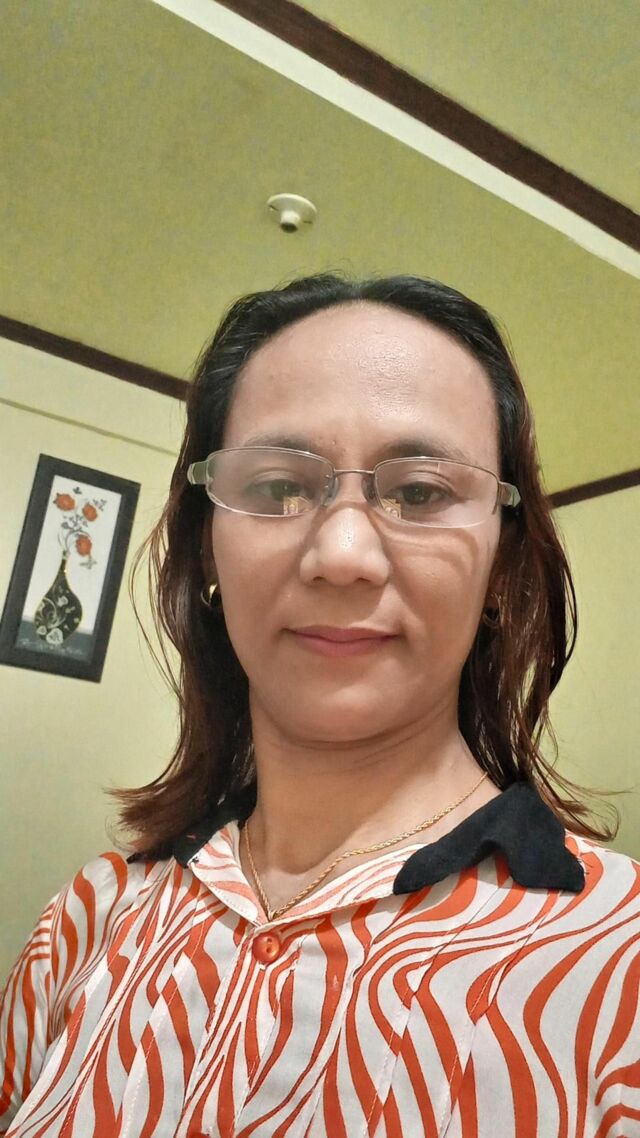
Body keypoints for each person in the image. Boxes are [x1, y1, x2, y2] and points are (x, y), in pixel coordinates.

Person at [1, 274, 638, 1138]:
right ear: (207, 550)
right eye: (276, 487)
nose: (342, 554)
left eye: (421, 492)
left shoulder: (618, 958)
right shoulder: (86, 921)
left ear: (502, 565)